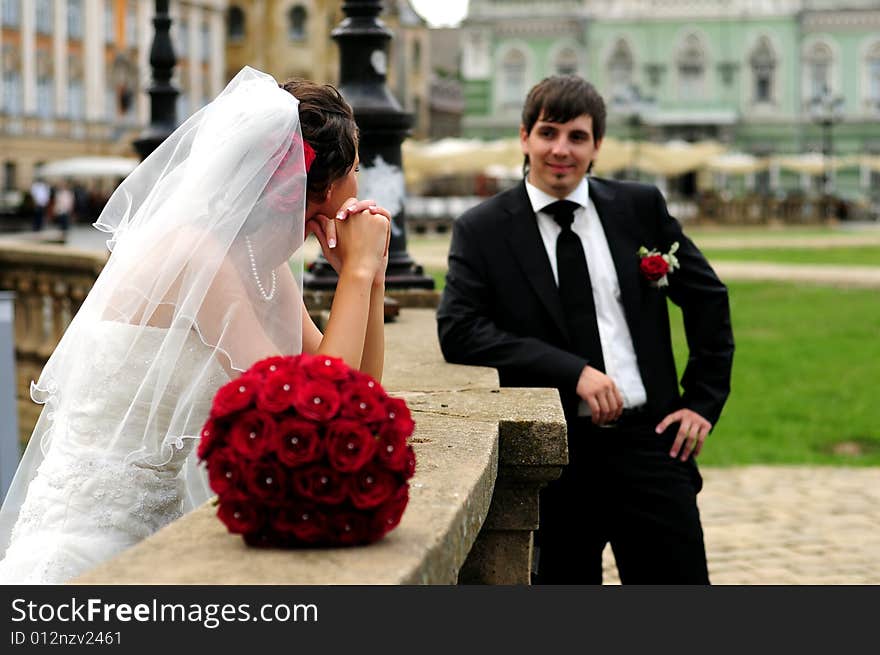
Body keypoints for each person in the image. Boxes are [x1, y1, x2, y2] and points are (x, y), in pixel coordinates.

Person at [0, 67, 391, 584]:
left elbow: (357, 393)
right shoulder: (195, 258)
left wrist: (370, 280)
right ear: (315, 184)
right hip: (97, 544)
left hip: (164, 532)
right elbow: (317, 417)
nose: (361, 185)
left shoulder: (260, 264)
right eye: (357, 169)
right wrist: (357, 274)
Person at [437, 75, 734, 584]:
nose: (561, 149)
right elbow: (459, 330)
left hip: (651, 442)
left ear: (597, 145)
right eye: (548, 132)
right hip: (555, 456)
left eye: (577, 137)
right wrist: (573, 372)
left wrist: (703, 401)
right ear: (525, 136)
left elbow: (708, 297)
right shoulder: (482, 228)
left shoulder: (640, 208)